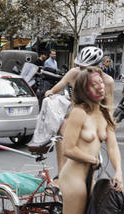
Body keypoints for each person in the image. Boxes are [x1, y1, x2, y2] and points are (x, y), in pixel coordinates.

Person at [58, 68, 123, 214]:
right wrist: (91, 159)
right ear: (84, 89)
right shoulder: (78, 113)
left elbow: (113, 145)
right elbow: (69, 149)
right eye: (94, 84)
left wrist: (119, 172)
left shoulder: (104, 113)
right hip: (74, 178)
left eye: (101, 83)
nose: (100, 87)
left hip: (90, 178)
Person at [43, 46, 114, 175]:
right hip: (74, 117)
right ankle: (61, 175)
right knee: (62, 133)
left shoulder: (107, 81)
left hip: (93, 119)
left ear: (98, 67)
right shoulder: (73, 73)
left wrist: (108, 129)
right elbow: (53, 89)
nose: (81, 71)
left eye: (85, 68)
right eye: (80, 67)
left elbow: (108, 108)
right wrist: (50, 95)